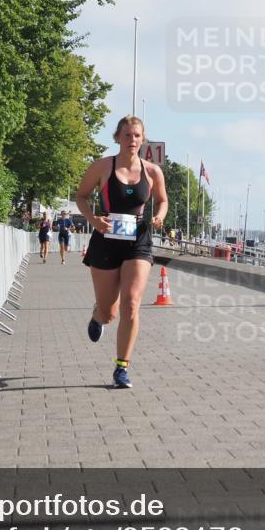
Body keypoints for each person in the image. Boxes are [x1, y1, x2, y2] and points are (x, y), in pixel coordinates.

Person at [75, 115, 167, 389]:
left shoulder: (152, 171)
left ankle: (121, 368)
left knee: (131, 303)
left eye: (137, 135)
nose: (132, 140)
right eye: (127, 135)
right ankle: (97, 315)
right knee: (110, 312)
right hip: (105, 238)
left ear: (143, 139)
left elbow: (162, 200)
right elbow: (81, 196)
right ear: (117, 138)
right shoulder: (103, 166)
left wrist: (159, 216)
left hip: (138, 238)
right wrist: (93, 220)